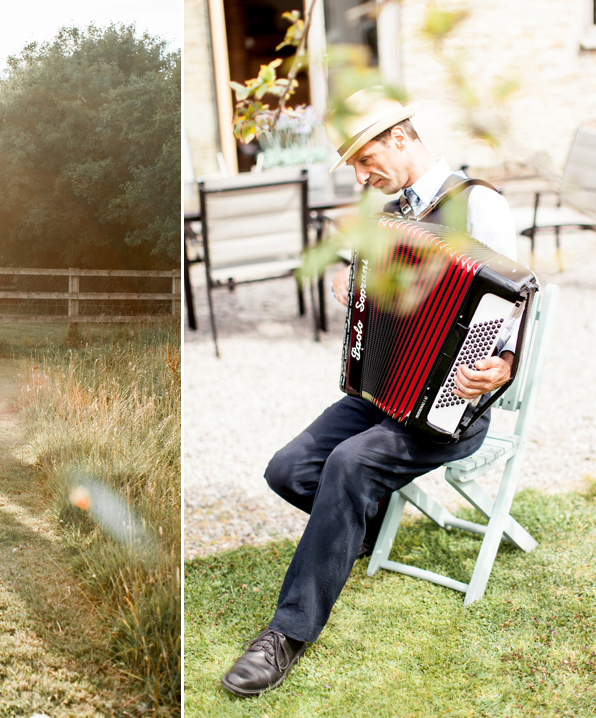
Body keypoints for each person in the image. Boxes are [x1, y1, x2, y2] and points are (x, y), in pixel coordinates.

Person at [220, 88, 520, 697]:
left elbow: (516, 306)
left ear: (401, 138)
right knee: (288, 469)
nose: (360, 176)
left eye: (363, 160)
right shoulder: (388, 214)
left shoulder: (480, 206)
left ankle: (287, 633)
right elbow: (363, 280)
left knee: (348, 463)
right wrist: (347, 275)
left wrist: (504, 366)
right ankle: (359, 526)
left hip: (447, 406)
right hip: (380, 393)